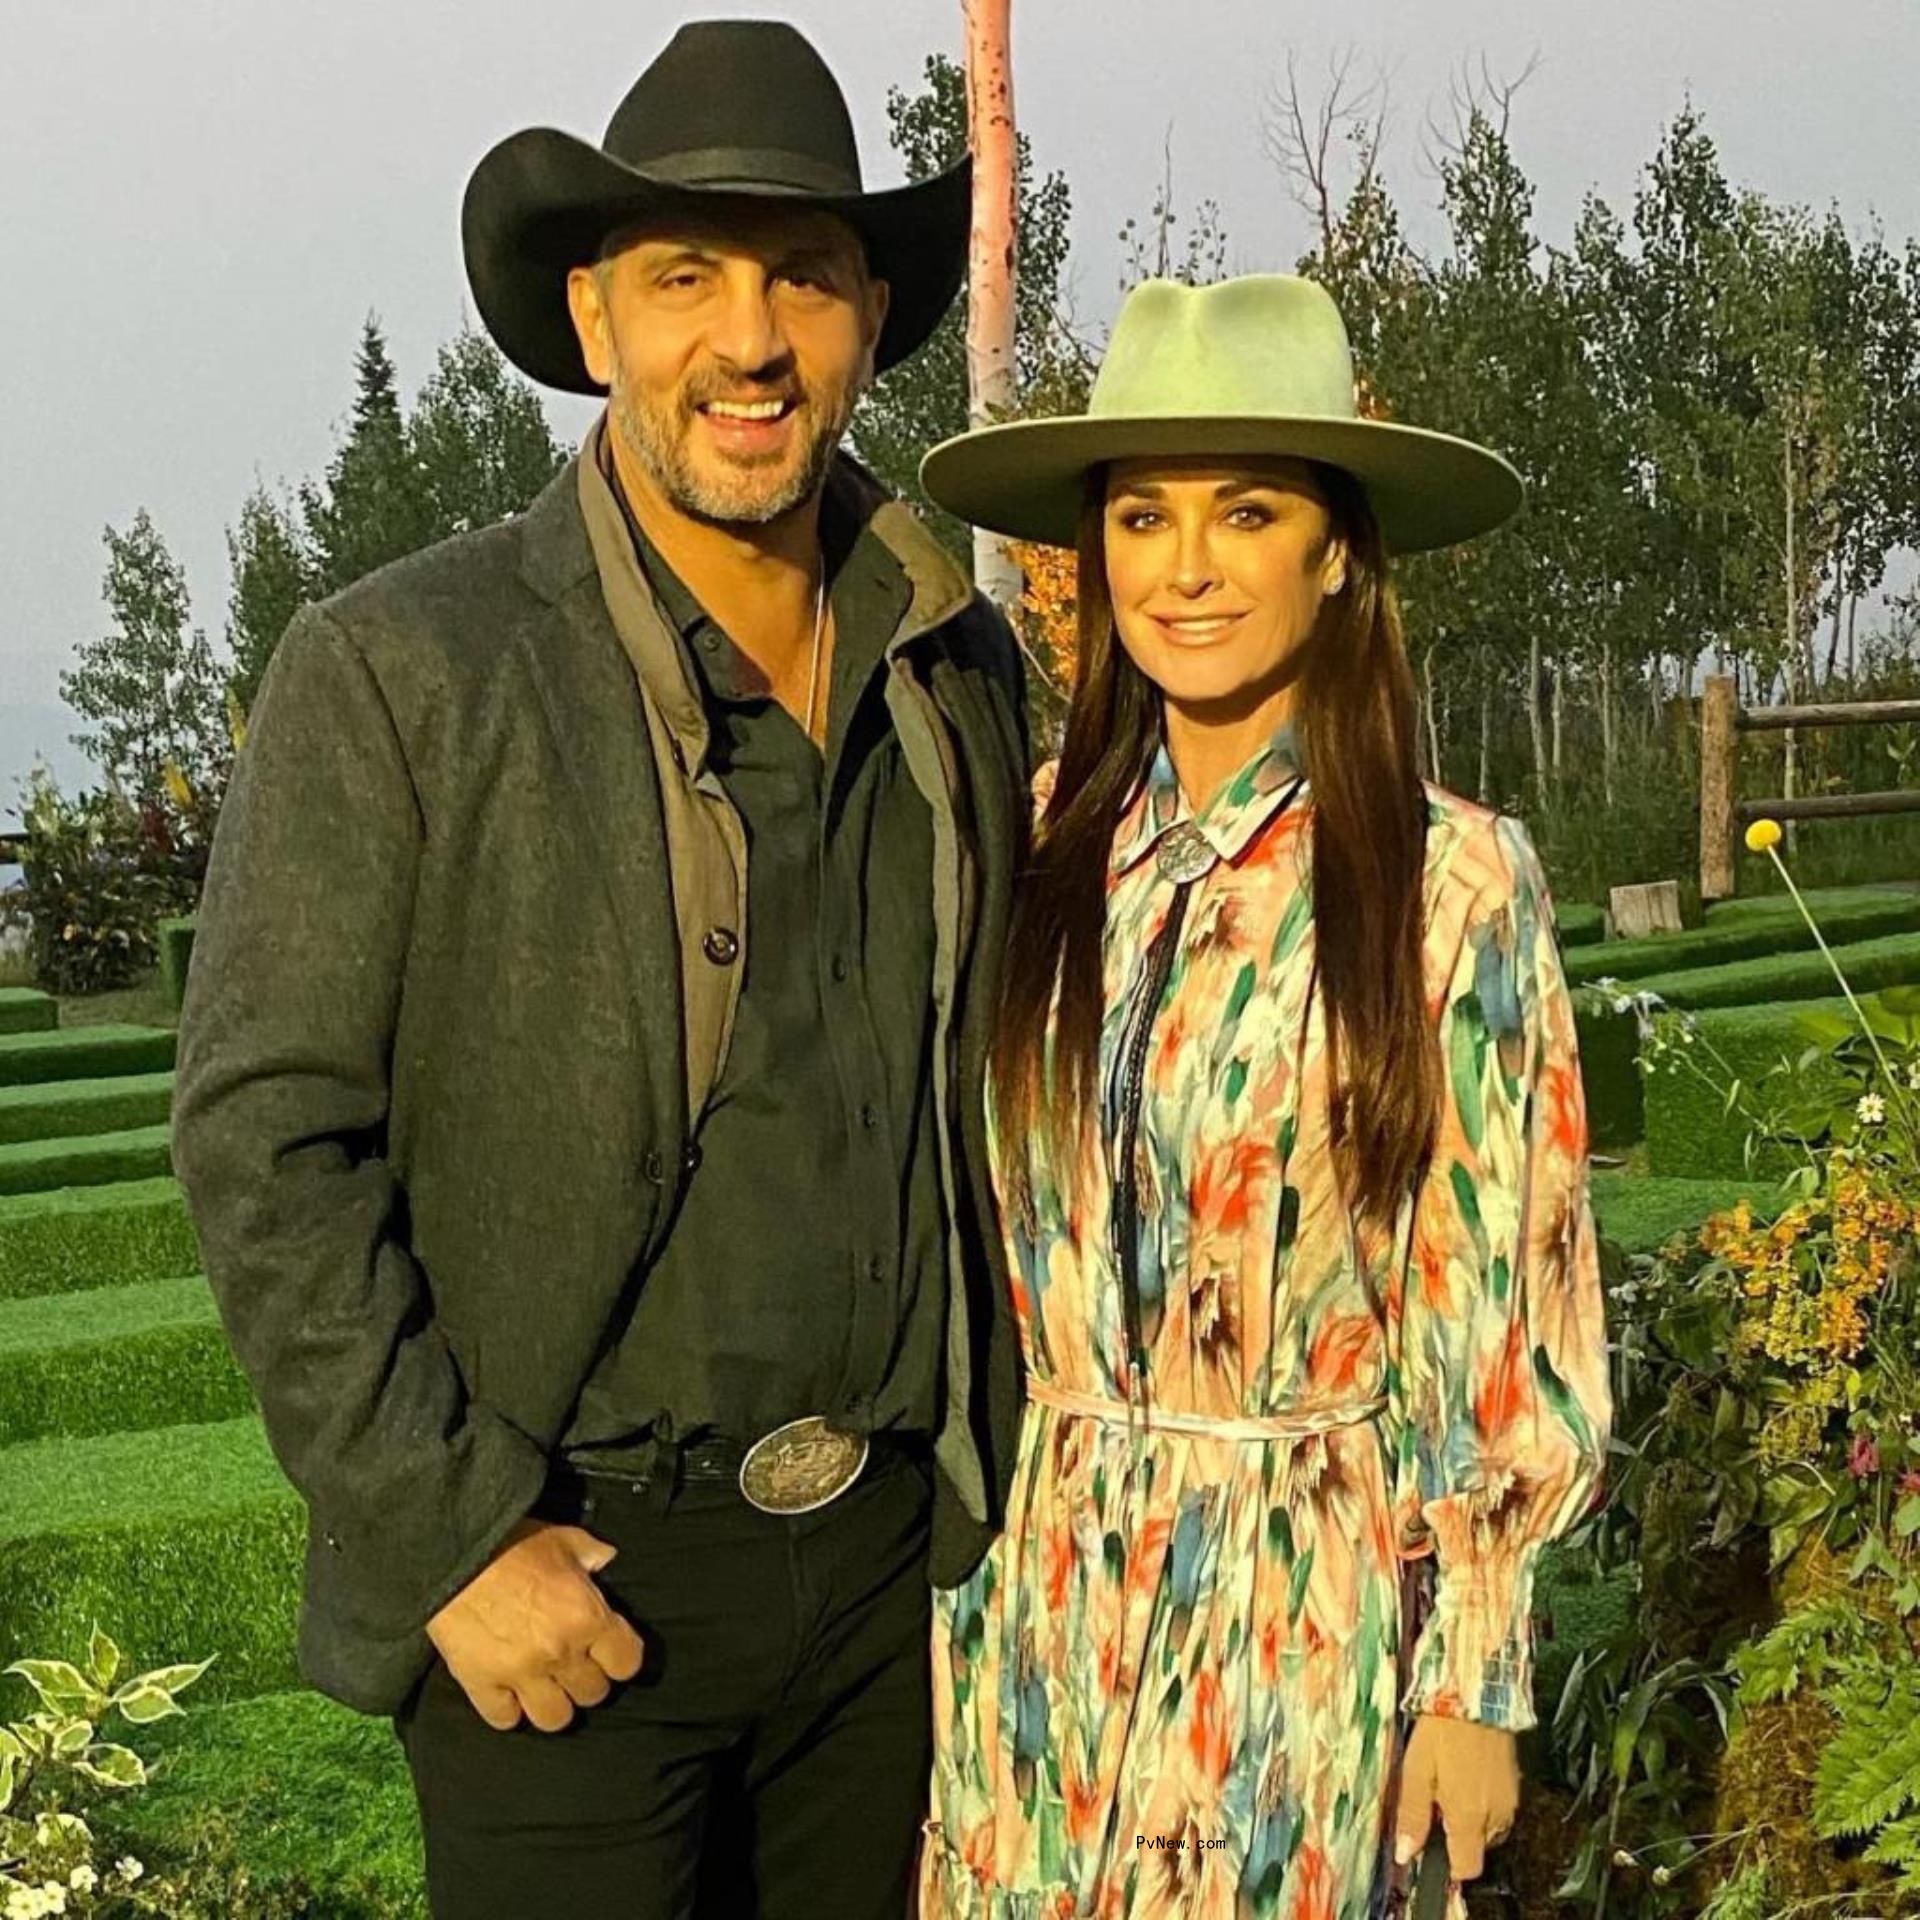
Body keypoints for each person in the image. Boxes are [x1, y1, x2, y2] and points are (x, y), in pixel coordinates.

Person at [170, 20, 1029, 1919]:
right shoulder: (403, 672)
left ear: (869, 319)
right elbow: (261, 1140)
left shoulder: (957, 664)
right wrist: (453, 1539)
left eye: (803, 275)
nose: (750, 340)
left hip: (885, 1601)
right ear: (594, 313)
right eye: (686, 277)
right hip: (571, 1587)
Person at [913, 273, 1612, 1919]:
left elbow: (1497, 1294)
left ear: (1338, 547)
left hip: (1303, 1618)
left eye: (1246, 511)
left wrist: (1474, 1677)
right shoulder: (1030, 846)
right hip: (1032, 1612)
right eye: (1141, 516)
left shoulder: (1448, 881)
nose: (1188, 567)